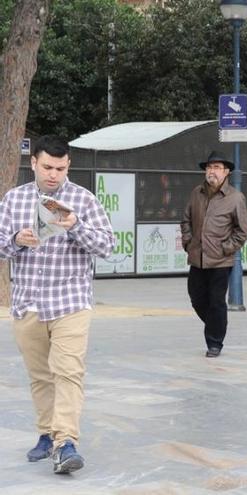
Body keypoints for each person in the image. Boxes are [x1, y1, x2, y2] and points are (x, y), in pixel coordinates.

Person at [0, 135, 115, 474]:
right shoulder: (13, 200)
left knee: (68, 372)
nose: (53, 175)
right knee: (40, 376)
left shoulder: (84, 200)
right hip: (28, 302)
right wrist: (16, 240)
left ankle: (66, 442)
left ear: (69, 166)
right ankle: (47, 434)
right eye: (47, 167)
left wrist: (76, 226)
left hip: (70, 300)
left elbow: (107, 246)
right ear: (33, 162)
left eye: (61, 168)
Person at [180, 150, 247, 358]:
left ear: (226, 172)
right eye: (209, 167)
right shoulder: (196, 193)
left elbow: (241, 231)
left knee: (217, 301)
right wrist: (187, 242)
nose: (212, 171)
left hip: (220, 261)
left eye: (217, 168)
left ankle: (214, 342)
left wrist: (225, 249)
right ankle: (216, 325)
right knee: (197, 298)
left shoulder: (235, 198)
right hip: (197, 258)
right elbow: (186, 220)